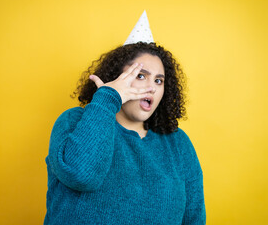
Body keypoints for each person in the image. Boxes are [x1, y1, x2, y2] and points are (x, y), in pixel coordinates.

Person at [44, 12, 206, 225]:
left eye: (159, 81)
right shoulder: (73, 121)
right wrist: (107, 99)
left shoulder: (177, 143)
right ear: (115, 79)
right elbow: (81, 174)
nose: (151, 87)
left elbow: (193, 217)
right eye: (140, 76)